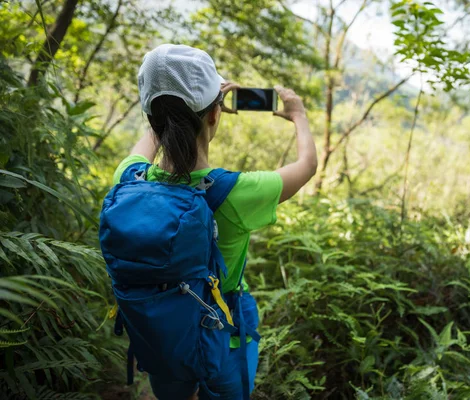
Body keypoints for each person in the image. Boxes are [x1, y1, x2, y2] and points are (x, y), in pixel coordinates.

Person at [109, 44, 317, 399]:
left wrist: (176, 109)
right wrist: (298, 115)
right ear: (214, 116)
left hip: (162, 336)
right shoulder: (235, 193)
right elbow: (307, 165)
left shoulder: (128, 179)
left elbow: (157, 132)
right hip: (221, 333)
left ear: (151, 118)